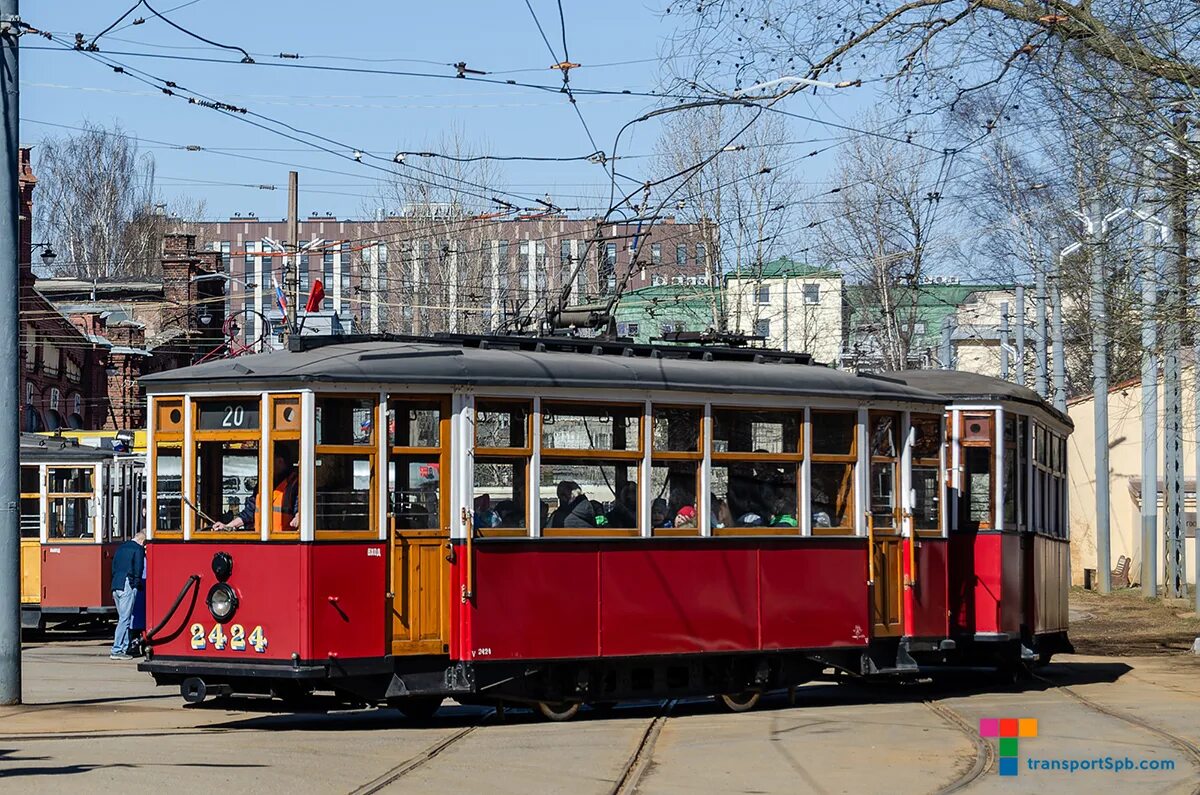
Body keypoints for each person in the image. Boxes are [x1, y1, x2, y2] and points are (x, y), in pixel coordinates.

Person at [213, 445, 299, 532]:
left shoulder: (295, 484)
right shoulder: (263, 484)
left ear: (280, 461)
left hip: (286, 542)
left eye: (269, 460)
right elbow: (250, 512)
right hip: (261, 541)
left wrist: (298, 517)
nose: (264, 464)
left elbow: (299, 509)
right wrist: (228, 526)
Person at [110, 530, 146, 660]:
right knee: (125, 619)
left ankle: (124, 647)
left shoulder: (121, 547)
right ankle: (117, 649)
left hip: (116, 585)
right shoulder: (138, 549)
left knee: (123, 618)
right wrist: (136, 584)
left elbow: (113, 566)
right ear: (143, 541)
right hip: (127, 585)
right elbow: (139, 568)